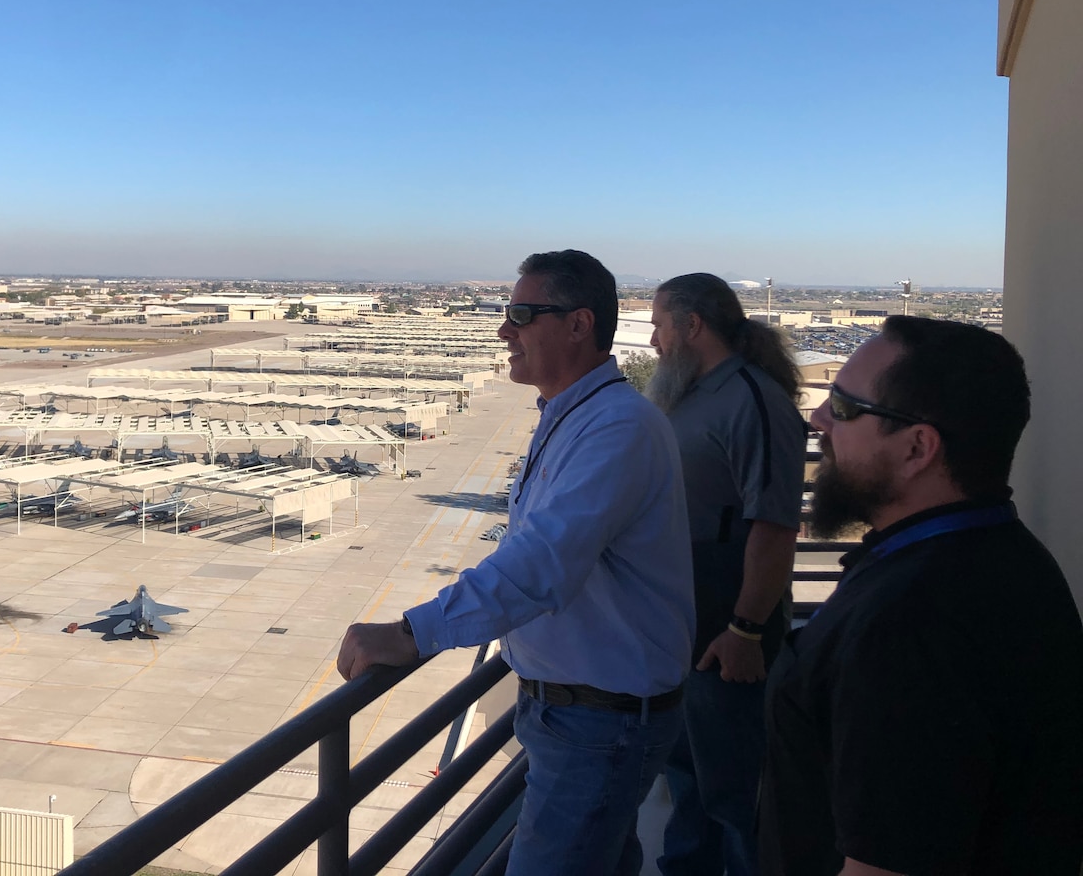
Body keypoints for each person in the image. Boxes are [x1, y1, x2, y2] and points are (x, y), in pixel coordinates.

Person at [337, 249, 695, 876]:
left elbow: (538, 565)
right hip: (579, 714)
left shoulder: (617, 428)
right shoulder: (574, 417)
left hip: (598, 726)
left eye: (522, 314)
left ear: (579, 324)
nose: (505, 331)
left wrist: (410, 633)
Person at [758, 317, 1083, 876]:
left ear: (917, 448)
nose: (817, 420)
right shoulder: (994, 556)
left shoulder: (914, 624)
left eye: (842, 406)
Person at [646, 274, 806, 876]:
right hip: (686, 619)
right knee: (688, 774)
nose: (656, 340)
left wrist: (744, 630)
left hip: (727, 621)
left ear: (692, 326)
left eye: (661, 324)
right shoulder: (694, 392)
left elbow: (774, 527)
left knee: (735, 787)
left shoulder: (753, 400)